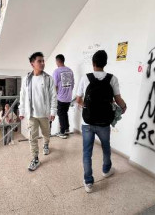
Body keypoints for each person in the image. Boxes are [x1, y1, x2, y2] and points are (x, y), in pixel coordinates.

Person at [76, 50, 127, 193]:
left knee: (87, 152)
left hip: (87, 122)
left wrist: (86, 106)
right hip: (104, 121)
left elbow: (79, 100)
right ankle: (106, 170)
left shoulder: (85, 78)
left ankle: (88, 182)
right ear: (105, 63)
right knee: (106, 146)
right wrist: (124, 107)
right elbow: (118, 99)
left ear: (93, 64)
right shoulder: (112, 78)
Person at [19, 52, 57, 171]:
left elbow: (53, 96)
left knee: (46, 133)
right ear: (32, 64)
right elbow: (22, 95)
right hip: (31, 115)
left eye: (43, 61)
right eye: (39, 61)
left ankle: (46, 144)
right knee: (32, 137)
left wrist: (53, 111)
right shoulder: (26, 79)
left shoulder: (48, 78)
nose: (42, 63)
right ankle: (35, 158)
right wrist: (21, 111)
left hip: (44, 113)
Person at [53, 54, 74, 139]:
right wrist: (68, 92)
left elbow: (55, 86)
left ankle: (62, 132)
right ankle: (66, 129)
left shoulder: (57, 71)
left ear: (58, 61)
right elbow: (72, 84)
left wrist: (54, 96)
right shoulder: (70, 70)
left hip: (61, 97)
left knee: (61, 113)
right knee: (65, 112)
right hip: (68, 97)